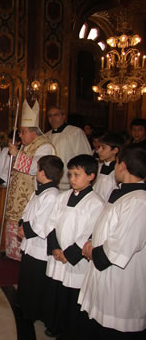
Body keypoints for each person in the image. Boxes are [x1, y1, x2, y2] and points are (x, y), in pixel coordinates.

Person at [79, 144, 146, 340]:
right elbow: (106, 223)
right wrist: (92, 239)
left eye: (116, 163)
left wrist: (94, 253)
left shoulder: (139, 201)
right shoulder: (123, 192)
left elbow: (123, 244)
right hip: (103, 270)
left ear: (122, 166)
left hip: (120, 278)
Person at [44, 154, 104, 339]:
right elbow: (51, 223)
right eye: (70, 174)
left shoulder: (96, 203)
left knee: (72, 299)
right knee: (57, 294)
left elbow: (88, 233)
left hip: (74, 259)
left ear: (91, 176)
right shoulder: (63, 197)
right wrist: (54, 248)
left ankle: (69, 331)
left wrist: (68, 255)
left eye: (77, 174)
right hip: (58, 254)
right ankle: (55, 325)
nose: (72, 179)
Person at [4, 100, 55, 261]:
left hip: (31, 197)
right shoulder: (28, 145)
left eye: (23, 132)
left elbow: (37, 167)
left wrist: (17, 154)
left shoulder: (45, 146)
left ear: (34, 132)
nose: (20, 135)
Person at [16, 155, 63, 323]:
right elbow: (27, 210)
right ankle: (22, 304)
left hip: (40, 247)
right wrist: (21, 225)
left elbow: (42, 223)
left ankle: (32, 311)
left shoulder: (52, 195)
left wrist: (25, 230)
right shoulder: (41, 190)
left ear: (42, 172)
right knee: (27, 277)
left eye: (37, 168)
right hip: (30, 242)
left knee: (36, 281)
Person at [45, 107, 92, 190]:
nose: (53, 118)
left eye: (56, 115)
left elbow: (85, 156)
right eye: (50, 116)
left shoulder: (75, 132)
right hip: (50, 183)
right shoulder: (46, 136)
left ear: (63, 116)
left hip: (70, 183)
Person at [93, 132, 123, 201]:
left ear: (115, 150)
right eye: (98, 147)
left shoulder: (119, 171)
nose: (98, 151)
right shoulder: (98, 167)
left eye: (103, 148)